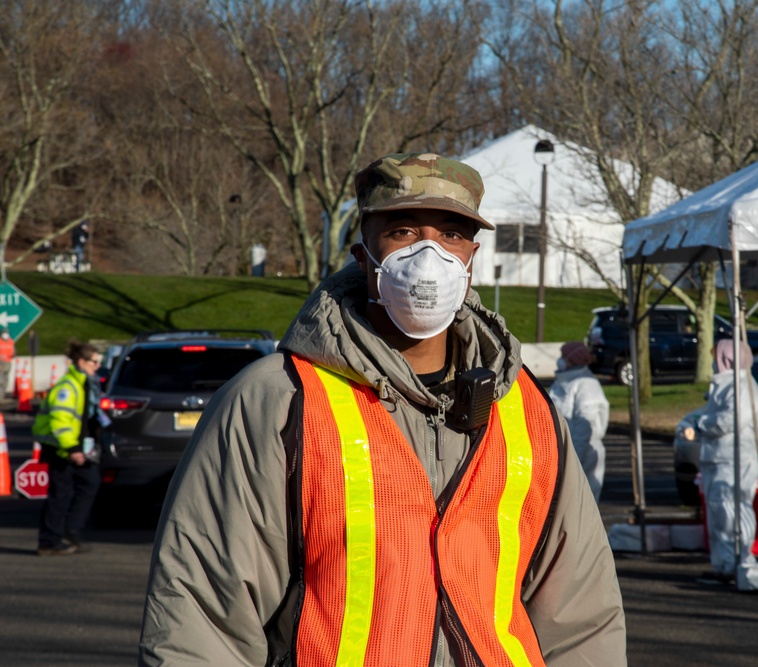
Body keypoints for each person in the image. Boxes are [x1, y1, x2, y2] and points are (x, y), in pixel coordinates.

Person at [139, 153, 626, 666]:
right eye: (404, 231)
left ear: (471, 259)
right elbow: (201, 616)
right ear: (363, 256)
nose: (429, 256)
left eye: (452, 236)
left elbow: (580, 615)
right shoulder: (278, 402)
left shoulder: (526, 410)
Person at [697, 338, 758, 580]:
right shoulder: (726, 385)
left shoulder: (741, 387)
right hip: (721, 457)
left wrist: (702, 424)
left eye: (714, 356)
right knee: (720, 513)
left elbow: (730, 420)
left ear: (726, 358)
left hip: (734, 458)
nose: (711, 362)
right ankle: (725, 564)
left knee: (732, 511)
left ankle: (739, 562)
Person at [32, 340, 103, 556]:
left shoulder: (84, 384)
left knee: (89, 484)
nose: (97, 366)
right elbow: (60, 421)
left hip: (77, 449)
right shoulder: (68, 387)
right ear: (81, 362)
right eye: (94, 362)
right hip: (63, 451)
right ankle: (49, 542)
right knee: (60, 495)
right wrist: (72, 449)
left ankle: (69, 532)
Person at [549, 341, 609, 501]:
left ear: (572, 359)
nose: (560, 360)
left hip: (583, 453)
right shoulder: (562, 382)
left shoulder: (586, 385)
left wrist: (574, 460)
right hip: (563, 452)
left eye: (563, 356)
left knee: (583, 503)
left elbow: (585, 427)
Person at [0, 327, 15, 397]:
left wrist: (14, 354)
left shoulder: (11, 342)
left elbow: (14, 352)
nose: (5, 335)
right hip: (1, 363)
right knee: (1, 381)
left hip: (8, 364)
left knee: (6, 380)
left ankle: (2, 395)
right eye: (4, 333)